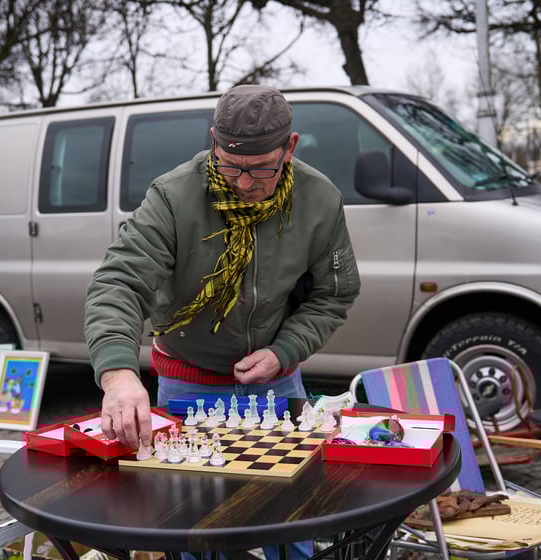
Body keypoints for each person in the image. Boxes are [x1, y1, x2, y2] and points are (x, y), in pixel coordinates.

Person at [85, 84, 361, 558]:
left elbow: (333, 295)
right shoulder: (172, 196)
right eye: (231, 166)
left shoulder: (320, 199)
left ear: (289, 148)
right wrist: (117, 374)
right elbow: (119, 284)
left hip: (278, 384)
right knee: (196, 523)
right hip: (188, 383)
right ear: (213, 139)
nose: (243, 182)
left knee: (290, 518)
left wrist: (284, 350)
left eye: (260, 169)